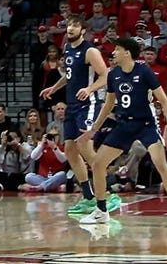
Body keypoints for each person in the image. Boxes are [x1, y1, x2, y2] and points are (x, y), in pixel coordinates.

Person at [78, 38, 167, 227]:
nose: (113, 53)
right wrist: (93, 130)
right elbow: (109, 104)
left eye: (117, 50)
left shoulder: (144, 71)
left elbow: (164, 102)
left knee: (160, 163)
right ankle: (101, 210)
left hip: (146, 124)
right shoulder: (113, 75)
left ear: (127, 52)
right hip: (124, 125)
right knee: (97, 164)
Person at [39, 15, 114, 215]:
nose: (70, 28)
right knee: (70, 150)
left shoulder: (90, 50)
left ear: (83, 31)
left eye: (75, 25)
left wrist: (90, 89)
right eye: (69, 25)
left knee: (83, 145)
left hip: (88, 105)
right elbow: (69, 75)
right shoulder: (68, 49)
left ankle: (106, 192)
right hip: (72, 105)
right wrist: (54, 88)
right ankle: (89, 196)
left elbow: (106, 76)